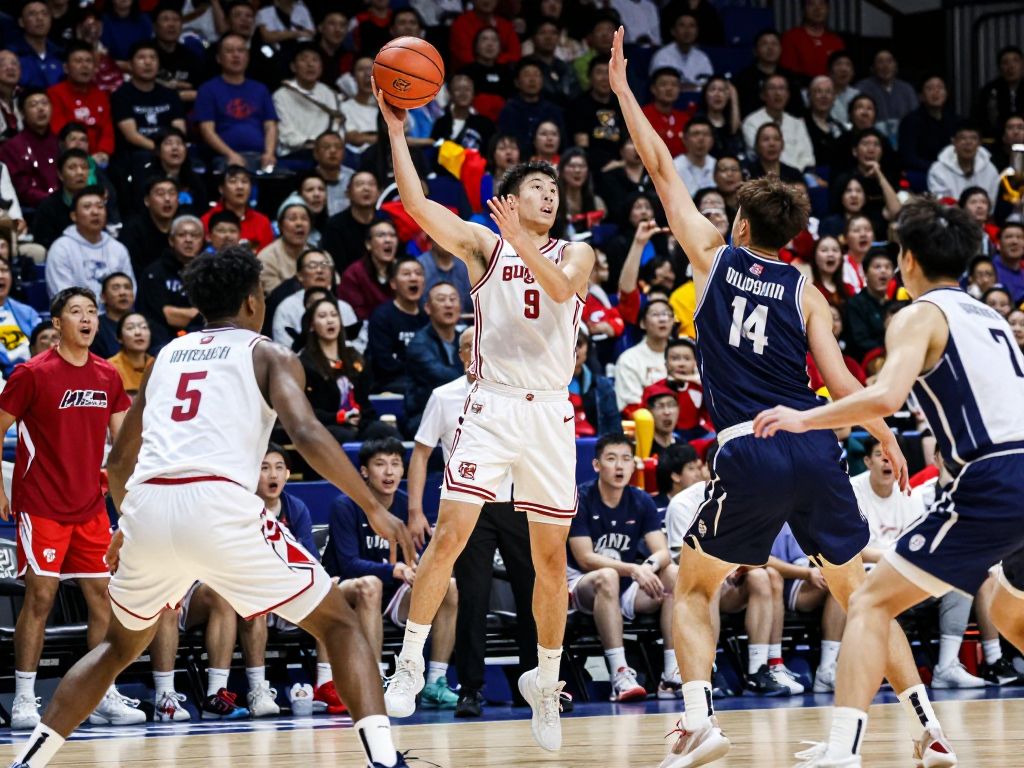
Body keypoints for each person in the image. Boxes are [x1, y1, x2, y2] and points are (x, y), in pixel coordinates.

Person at [609, 28, 954, 768]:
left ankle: (700, 719)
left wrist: (622, 92)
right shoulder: (808, 291)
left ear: (739, 224)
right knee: (862, 595)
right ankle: (930, 728)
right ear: (793, 235)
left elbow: (664, 168)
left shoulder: (713, 257)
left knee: (693, 587)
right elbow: (843, 384)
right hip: (819, 447)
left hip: (752, 446)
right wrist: (886, 433)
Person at [7, 247, 416, 768]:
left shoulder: (165, 359)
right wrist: (374, 507)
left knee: (116, 647)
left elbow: (118, 463)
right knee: (340, 625)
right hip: (218, 504)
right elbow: (308, 433)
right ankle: (384, 760)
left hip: (149, 508)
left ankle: (29, 762)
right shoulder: (268, 353)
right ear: (253, 301)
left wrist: (127, 523)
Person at [754, 199, 1024, 768]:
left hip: (994, 478)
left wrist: (804, 416)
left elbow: (886, 397)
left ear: (905, 259)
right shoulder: (993, 316)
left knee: (872, 601)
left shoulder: (919, 315)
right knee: (1002, 606)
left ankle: (844, 749)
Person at [378, 68, 596, 751]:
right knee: (450, 534)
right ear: (508, 199)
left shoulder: (578, 252)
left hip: (550, 414)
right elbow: (415, 203)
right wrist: (395, 128)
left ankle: (545, 682)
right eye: (537, 188)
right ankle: (410, 659)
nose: (550, 196)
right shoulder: (483, 244)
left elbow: (560, 290)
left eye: (555, 190)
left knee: (551, 561)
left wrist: (527, 240)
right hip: (493, 406)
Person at [1, 287, 140, 732]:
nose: (86, 318)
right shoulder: (32, 373)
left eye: (92, 312)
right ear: (57, 323)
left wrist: (130, 494)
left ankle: (102, 693)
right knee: (40, 597)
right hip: (40, 504)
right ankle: (25, 697)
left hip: (91, 507)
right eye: (76, 311)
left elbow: (125, 446)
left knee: (104, 599)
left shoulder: (107, 375)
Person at [406, 326, 535, 716]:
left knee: (532, 594)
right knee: (473, 597)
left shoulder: (516, 392)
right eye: (470, 345)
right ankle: (471, 689)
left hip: (516, 502)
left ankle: (538, 684)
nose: (478, 350)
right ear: (462, 353)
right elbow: (421, 453)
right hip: (468, 508)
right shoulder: (443, 397)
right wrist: (415, 511)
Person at [324, 437, 460, 709]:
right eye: (380, 464)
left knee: (448, 586)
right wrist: (394, 569)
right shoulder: (346, 505)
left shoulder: (408, 507)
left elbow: (419, 559)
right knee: (371, 585)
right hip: (350, 592)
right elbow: (349, 564)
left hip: (394, 595)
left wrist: (417, 569)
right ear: (364, 471)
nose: (389, 472)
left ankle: (435, 681)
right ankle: (374, 681)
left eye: (396, 464)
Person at [568, 433, 682, 701]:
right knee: (607, 576)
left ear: (634, 465)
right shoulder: (580, 498)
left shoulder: (641, 500)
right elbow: (585, 558)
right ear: (597, 465)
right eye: (611, 459)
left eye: (626, 459)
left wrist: (648, 567)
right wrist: (633, 569)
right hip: (581, 585)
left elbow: (662, 551)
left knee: (673, 574)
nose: (619, 466)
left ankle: (672, 674)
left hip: (626, 586)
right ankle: (620, 674)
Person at [297, 297, 376, 447]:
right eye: (322, 316)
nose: (330, 320)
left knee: (385, 433)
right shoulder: (305, 363)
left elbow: (364, 401)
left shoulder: (354, 357)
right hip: (326, 426)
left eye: (334, 315)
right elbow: (308, 411)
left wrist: (361, 417)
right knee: (347, 438)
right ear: (312, 325)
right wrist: (339, 418)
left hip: (359, 423)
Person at [195, 32, 278, 171]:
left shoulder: (260, 88)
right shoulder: (207, 89)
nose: (236, 55)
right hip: (224, 157)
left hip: (261, 157)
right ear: (219, 58)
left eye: (241, 50)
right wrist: (230, 155)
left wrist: (269, 153)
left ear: (247, 56)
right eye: (229, 51)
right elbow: (207, 130)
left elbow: (270, 125)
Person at [45, 185, 134, 300]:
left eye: (100, 206)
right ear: (74, 216)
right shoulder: (61, 249)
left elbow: (130, 291)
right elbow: (63, 297)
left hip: (115, 316)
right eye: (87, 207)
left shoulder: (118, 249)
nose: (95, 212)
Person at [402, 282, 464, 433]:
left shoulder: (464, 340)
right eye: (441, 299)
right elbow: (443, 377)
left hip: (459, 413)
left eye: (453, 299)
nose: (448, 304)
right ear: (428, 308)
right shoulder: (419, 344)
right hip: (424, 417)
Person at [110, 40, 186, 158]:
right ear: (130, 65)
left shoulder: (170, 95)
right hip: (135, 154)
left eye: (153, 58)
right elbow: (132, 136)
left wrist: (170, 149)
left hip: (169, 152)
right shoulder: (121, 95)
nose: (148, 62)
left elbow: (179, 130)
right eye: (141, 58)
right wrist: (161, 150)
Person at [138, 214, 205, 345]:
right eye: (182, 235)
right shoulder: (154, 273)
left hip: (204, 341)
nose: (188, 240)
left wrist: (180, 314)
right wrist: (197, 315)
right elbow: (165, 316)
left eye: (195, 235)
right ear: (171, 240)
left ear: (203, 240)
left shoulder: (211, 273)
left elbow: (216, 316)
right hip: (162, 342)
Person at [46, 40, 114, 164]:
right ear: (66, 68)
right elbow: (59, 130)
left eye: (89, 61)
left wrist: (103, 152)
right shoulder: (54, 93)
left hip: (99, 158)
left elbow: (107, 130)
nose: (85, 66)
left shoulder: (101, 95)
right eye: (78, 61)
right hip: (67, 157)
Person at [368, 256, 427, 394]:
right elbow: (384, 363)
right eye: (406, 274)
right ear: (393, 283)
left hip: (424, 379)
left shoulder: (427, 316)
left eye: (418, 273)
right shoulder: (382, 316)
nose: (414, 278)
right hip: (392, 383)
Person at [742, 75, 816, 174]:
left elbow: (808, 156)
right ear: (763, 95)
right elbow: (760, 154)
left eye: (782, 88)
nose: (777, 93)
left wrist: (795, 174)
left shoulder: (797, 123)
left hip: (799, 176)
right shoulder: (751, 122)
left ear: (788, 94)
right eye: (772, 88)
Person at [0, 90, 60, 209]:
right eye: (33, 105)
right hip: (33, 211)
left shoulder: (61, 142)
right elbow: (22, 189)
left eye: (45, 103)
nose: (41, 109)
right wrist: (53, 200)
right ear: (22, 112)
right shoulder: (12, 147)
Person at [200, 165, 275, 252]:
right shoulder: (206, 221)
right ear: (221, 189)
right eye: (233, 181)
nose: (240, 187)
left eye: (244, 181)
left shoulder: (262, 222)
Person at [926, 120, 1000, 206]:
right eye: (963, 138)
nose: (968, 143)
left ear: (980, 143)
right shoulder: (938, 170)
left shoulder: (990, 170)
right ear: (954, 142)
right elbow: (941, 205)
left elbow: (991, 204)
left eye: (973, 138)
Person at [843, 247, 896, 363]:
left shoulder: (896, 303)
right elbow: (860, 342)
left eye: (888, 267)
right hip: (864, 364)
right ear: (866, 273)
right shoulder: (855, 304)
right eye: (877, 267)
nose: (883, 271)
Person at [898, 76, 958, 175]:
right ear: (921, 96)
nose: (936, 92)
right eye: (930, 88)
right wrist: (938, 168)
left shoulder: (955, 120)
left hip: (953, 172)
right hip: (923, 173)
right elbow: (908, 158)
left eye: (940, 88)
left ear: (946, 94)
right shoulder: (910, 121)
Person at [120, 176, 179, 275]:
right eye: (160, 194)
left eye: (172, 193)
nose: (167, 199)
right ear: (147, 201)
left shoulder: (183, 227)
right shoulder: (133, 230)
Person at [779, 0, 845, 80]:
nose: (817, 9)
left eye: (821, 4)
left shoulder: (836, 41)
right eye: (811, 4)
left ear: (828, 9)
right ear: (803, 10)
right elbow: (788, 72)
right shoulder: (791, 37)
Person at [647, 11, 712, 90]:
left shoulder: (703, 58)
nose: (687, 30)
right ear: (673, 31)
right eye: (682, 25)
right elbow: (660, 86)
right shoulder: (662, 56)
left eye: (692, 26)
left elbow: (709, 86)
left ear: (697, 32)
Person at [972, 45, 1024, 141]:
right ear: (999, 67)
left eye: (1015, 61)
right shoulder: (989, 91)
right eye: (1005, 63)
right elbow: (979, 120)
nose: (1011, 66)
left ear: (1022, 64)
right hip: (996, 142)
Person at [0, 256, 41, 375]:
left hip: (31, 372)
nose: (1, 275)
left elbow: (41, 341)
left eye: (4, 270)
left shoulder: (26, 312)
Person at [106, 312, 153, 395]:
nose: (138, 332)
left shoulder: (157, 365)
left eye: (144, 327)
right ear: (119, 338)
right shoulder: (109, 368)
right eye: (130, 328)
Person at [994, 222, 1024, 303]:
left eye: (1020, 237)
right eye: (1008, 237)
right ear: (998, 244)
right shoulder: (989, 270)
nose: (1014, 242)